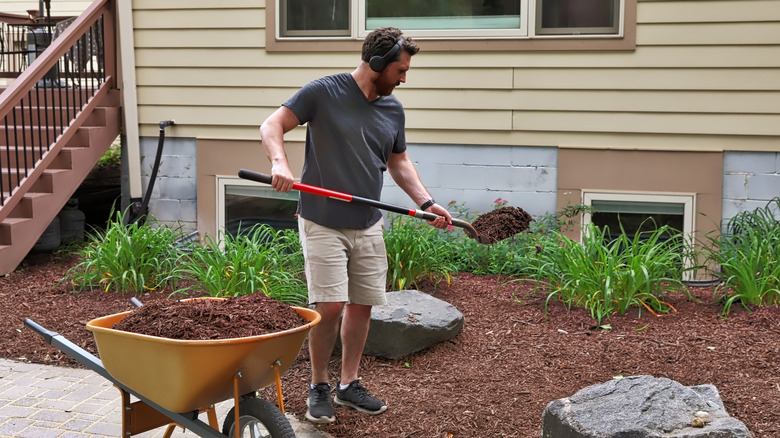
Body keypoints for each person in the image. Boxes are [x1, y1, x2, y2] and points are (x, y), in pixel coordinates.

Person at [259, 26, 453, 424]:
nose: (403, 78)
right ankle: (318, 385)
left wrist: (427, 202)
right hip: (322, 219)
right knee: (329, 307)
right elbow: (271, 125)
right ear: (377, 63)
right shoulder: (323, 92)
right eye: (400, 70)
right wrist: (280, 163)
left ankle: (349, 384)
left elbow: (398, 161)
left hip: (367, 222)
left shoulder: (392, 109)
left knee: (362, 306)